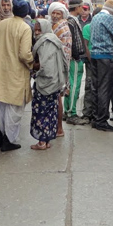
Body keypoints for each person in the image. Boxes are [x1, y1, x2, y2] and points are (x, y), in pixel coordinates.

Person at [0, 0, 35, 152]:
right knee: (15, 108)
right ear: (26, 12)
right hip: (17, 72)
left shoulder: (2, 24)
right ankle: (9, 139)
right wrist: (32, 63)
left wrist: (3, 54)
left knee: (1, 105)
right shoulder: (25, 28)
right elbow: (24, 54)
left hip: (1, 71)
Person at [30, 19, 68, 150]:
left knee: (41, 112)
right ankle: (46, 141)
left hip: (45, 83)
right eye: (35, 30)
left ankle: (41, 142)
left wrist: (33, 68)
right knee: (50, 112)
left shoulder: (45, 43)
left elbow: (45, 65)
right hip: (55, 83)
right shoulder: (53, 40)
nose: (36, 33)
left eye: (39, 30)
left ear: (45, 29)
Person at [90, 0, 113, 132]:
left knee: (96, 87)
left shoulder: (95, 17)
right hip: (105, 56)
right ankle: (102, 120)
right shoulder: (108, 19)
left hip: (94, 55)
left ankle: (95, 117)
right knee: (104, 88)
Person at [48, 2, 71, 137]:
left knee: (56, 98)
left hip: (57, 66)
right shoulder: (60, 25)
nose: (55, 16)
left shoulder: (59, 27)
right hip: (59, 66)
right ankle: (57, 128)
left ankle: (59, 128)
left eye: (58, 13)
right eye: (54, 13)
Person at [63, 0, 87, 122]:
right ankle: (71, 113)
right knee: (74, 86)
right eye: (81, 7)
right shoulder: (71, 22)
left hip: (72, 58)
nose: (82, 9)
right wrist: (77, 57)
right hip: (74, 59)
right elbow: (71, 42)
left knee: (70, 85)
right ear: (77, 7)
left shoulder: (71, 21)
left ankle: (67, 110)